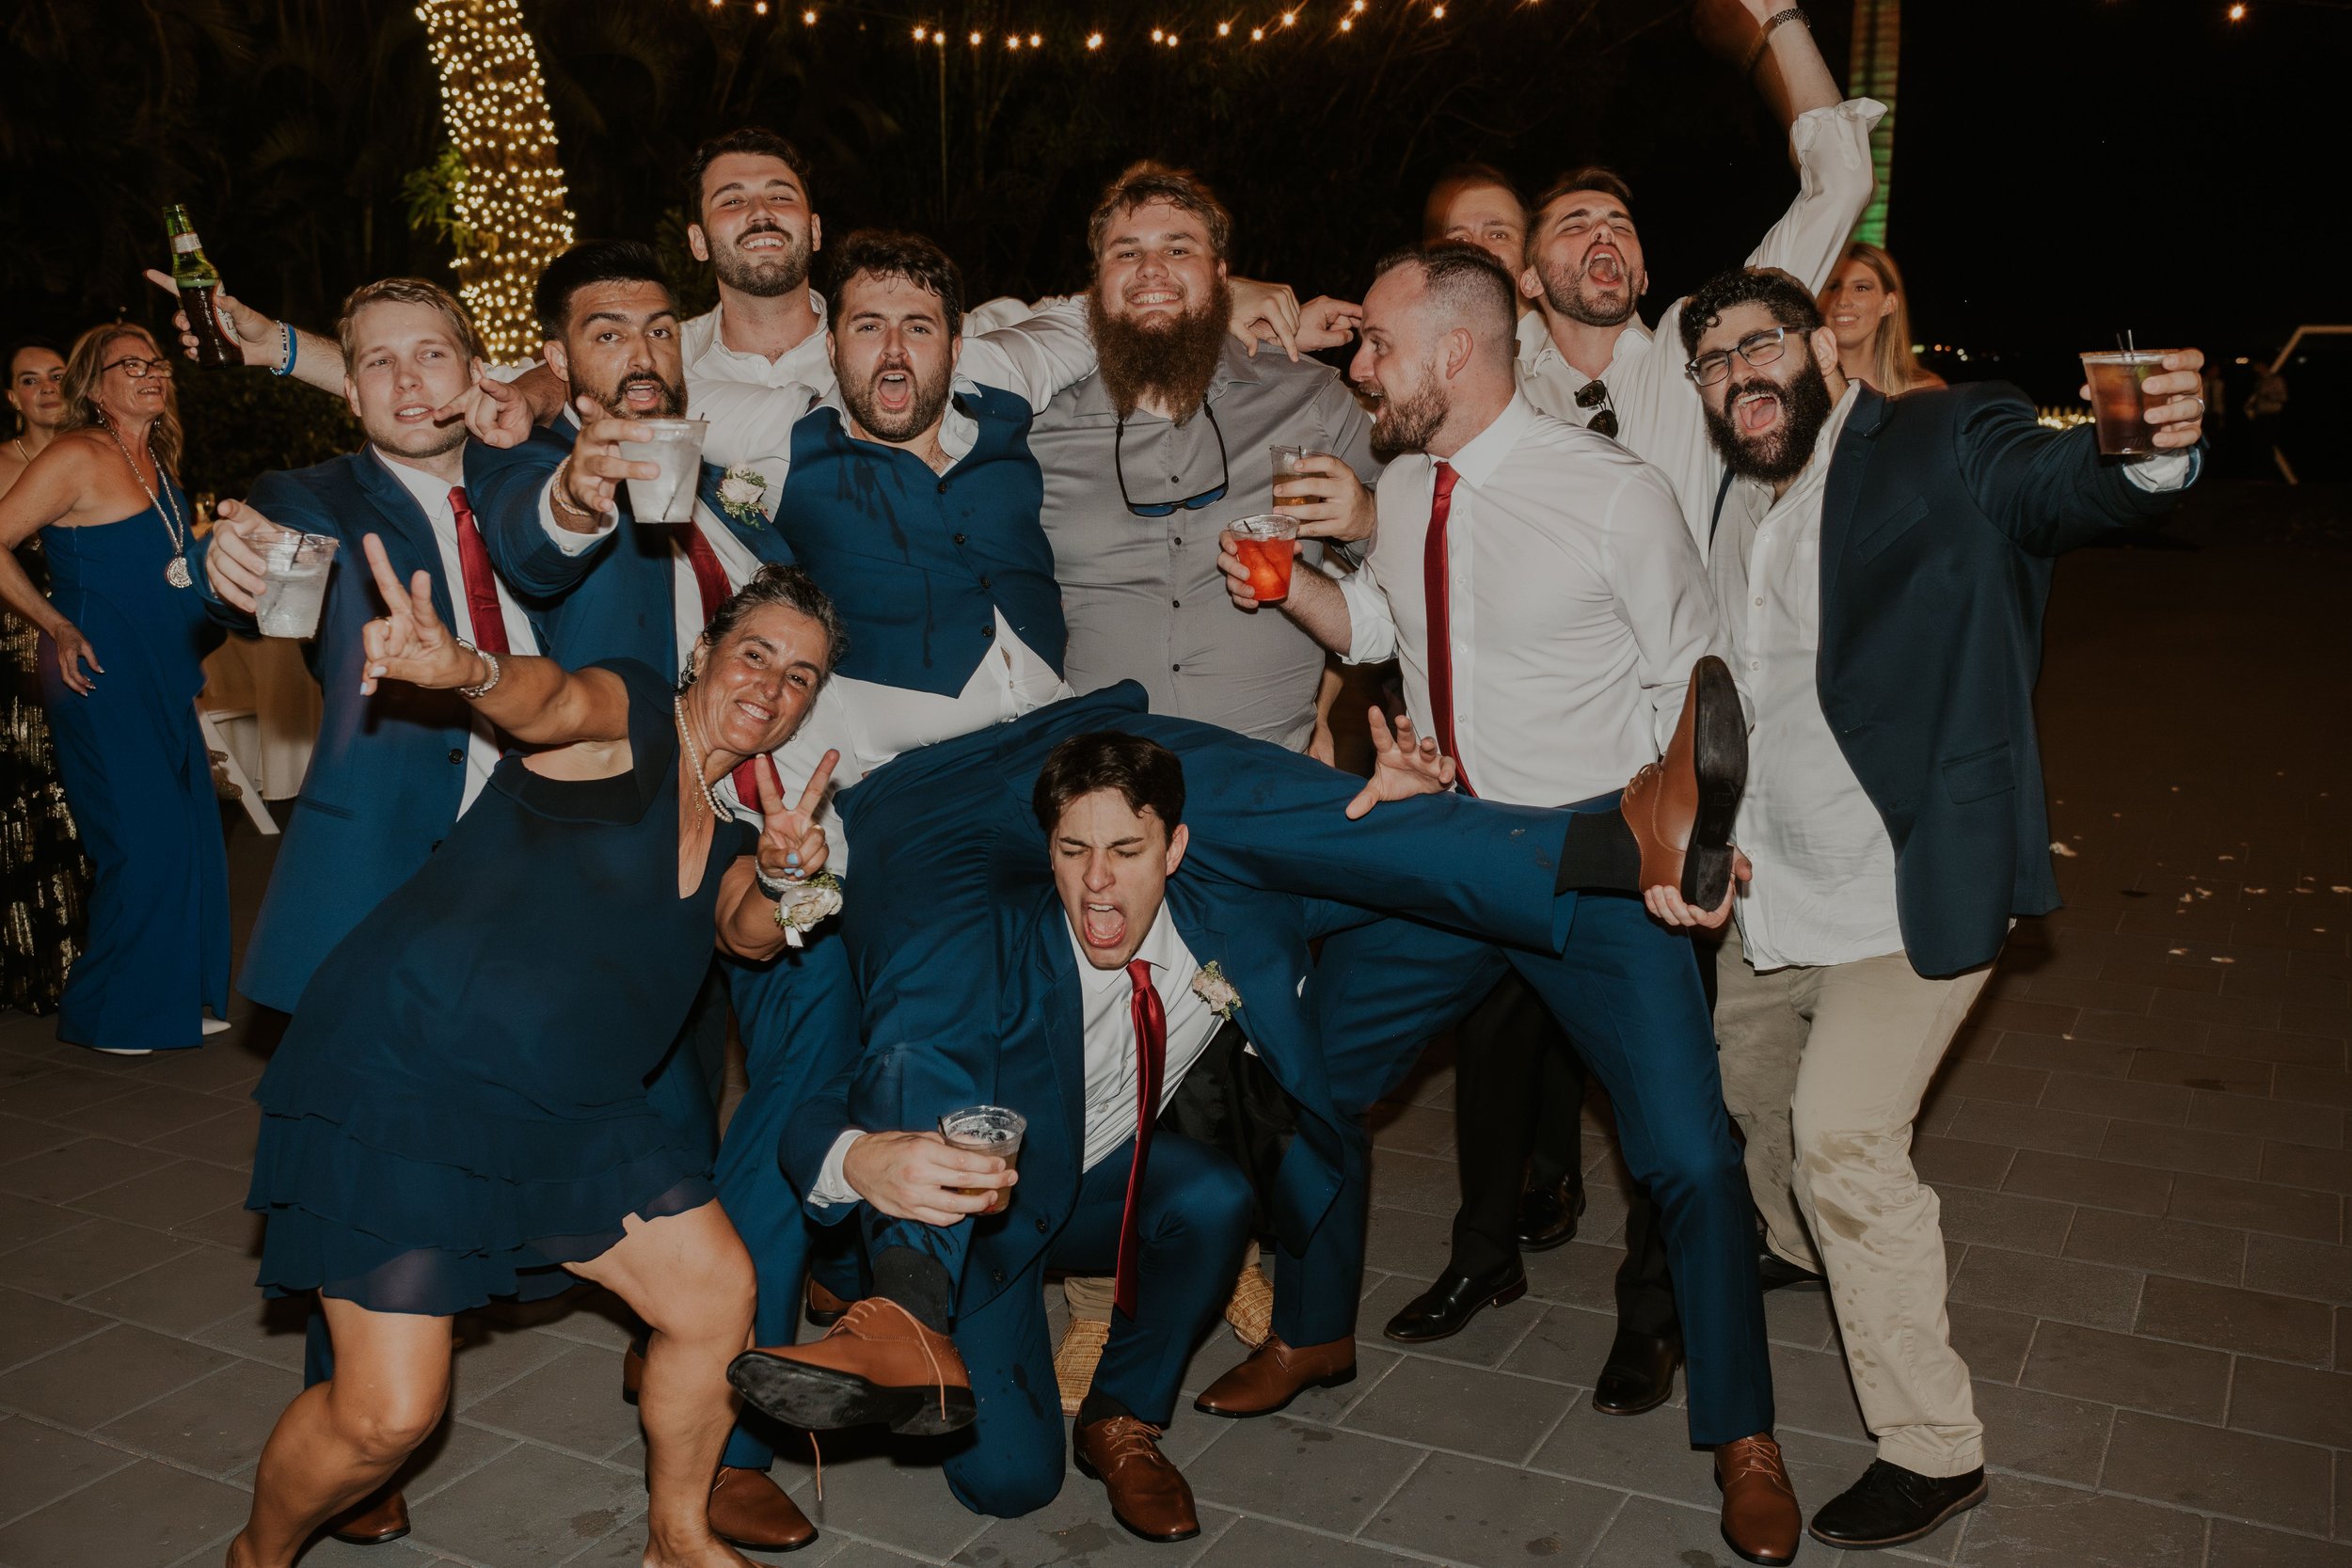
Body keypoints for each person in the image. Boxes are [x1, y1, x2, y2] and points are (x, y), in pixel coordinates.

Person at [725, 670, 1741, 1539]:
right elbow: (842, 1092)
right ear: (1046, 854)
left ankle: (1123, 1419)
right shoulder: (994, 936)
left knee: (1213, 1193)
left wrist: (1409, 812)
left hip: (1105, 1174)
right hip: (985, 1208)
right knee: (1011, 1485)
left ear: (1174, 850)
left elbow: (1364, 864)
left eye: (1128, 852)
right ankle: (895, 1299)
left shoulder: (1229, 908)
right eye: (1075, 853)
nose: (1098, 884)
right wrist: (856, 1158)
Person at [1219, 243, 1797, 1565]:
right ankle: (1312, 1328)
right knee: (1317, 1077)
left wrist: (1704, 842)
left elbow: (1695, 679)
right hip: (1449, 846)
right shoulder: (1406, 481)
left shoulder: (1611, 494)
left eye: (1379, 345)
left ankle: (1747, 1432)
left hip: (1592, 861)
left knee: (1688, 1155)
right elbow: (1387, 627)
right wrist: (1291, 588)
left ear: (1456, 351)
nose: (1362, 368)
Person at [1678, 265, 2204, 1550]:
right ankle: (1804, 1243)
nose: (1739, 372)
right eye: (1712, 360)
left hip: (1909, 886)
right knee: (1749, 1090)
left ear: (1821, 347)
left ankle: (1932, 1445)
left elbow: (2060, 486)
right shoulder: (1735, 498)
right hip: (1769, 886)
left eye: (1760, 343)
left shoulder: (1944, 433)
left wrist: (2145, 449)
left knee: (1843, 1142)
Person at [229, 549, 842, 1568]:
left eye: (799, 676)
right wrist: (468, 670)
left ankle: (677, 1538)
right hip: (411, 1069)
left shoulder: (738, 833)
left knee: (712, 1294)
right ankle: (256, 1555)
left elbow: (746, 934)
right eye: (755, 654)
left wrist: (783, 878)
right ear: (703, 652)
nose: (770, 686)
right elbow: (555, 700)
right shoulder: (634, 717)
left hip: (569, 1104)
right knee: (387, 1414)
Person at [189, 276, 561, 1549]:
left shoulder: (535, 482)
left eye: (432, 354)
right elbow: (243, 563)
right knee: (364, 1175)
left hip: (547, 875)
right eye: (380, 362)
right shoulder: (314, 497)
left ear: (473, 369)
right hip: (381, 892)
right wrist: (222, 559)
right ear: (348, 388)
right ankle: (358, 1428)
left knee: (532, 1131)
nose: (409, 380)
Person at [1022, 158, 1375, 1402]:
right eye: (1126, 252)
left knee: (1251, 1041)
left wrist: (1360, 541)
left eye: (1179, 247)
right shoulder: (1048, 421)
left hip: (1261, 772)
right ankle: (1092, 1294)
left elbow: (1382, 577)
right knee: (1095, 1038)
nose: (1153, 270)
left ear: (1223, 272)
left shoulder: (1313, 400)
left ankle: (1228, 1254)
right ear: (1093, 282)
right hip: (1105, 795)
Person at [1514, 0, 1879, 543]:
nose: (1604, 232)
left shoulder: (1699, 344)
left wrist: (1778, 15)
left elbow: (1841, 184)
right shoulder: (1509, 393)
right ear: (1530, 280)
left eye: (1620, 224)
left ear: (1642, 278)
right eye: (1575, 224)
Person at [0, 325, 228, 1054]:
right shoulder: (76, 454)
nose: (151, 372)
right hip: (98, 669)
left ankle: (168, 998)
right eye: (131, 364)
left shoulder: (155, 456)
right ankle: (110, 1013)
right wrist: (54, 623)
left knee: (187, 835)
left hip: (162, 668)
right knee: (142, 840)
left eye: (156, 361)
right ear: (94, 387)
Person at [0, 340, 92, 1017]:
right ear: (12, 398)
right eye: (29, 380)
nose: (46, 388)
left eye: (57, 375)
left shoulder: (96, 453)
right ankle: (41, 963)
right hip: (18, 654)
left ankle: (97, 958)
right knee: (33, 799)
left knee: (90, 796)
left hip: (91, 648)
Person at [1818, 241, 1945, 395]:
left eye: (1860, 288)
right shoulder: (1800, 393)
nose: (1842, 300)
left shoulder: (1924, 393)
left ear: (1888, 303)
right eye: (1834, 287)